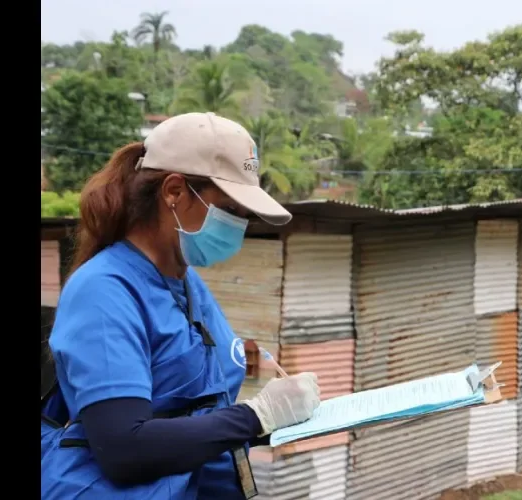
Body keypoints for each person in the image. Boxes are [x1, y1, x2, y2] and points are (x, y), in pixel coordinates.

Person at [40, 112, 322, 500]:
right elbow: (124, 448)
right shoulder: (104, 292)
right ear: (174, 191)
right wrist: (255, 416)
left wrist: (282, 415)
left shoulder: (186, 283)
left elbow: (196, 412)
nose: (239, 226)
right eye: (230, 210)